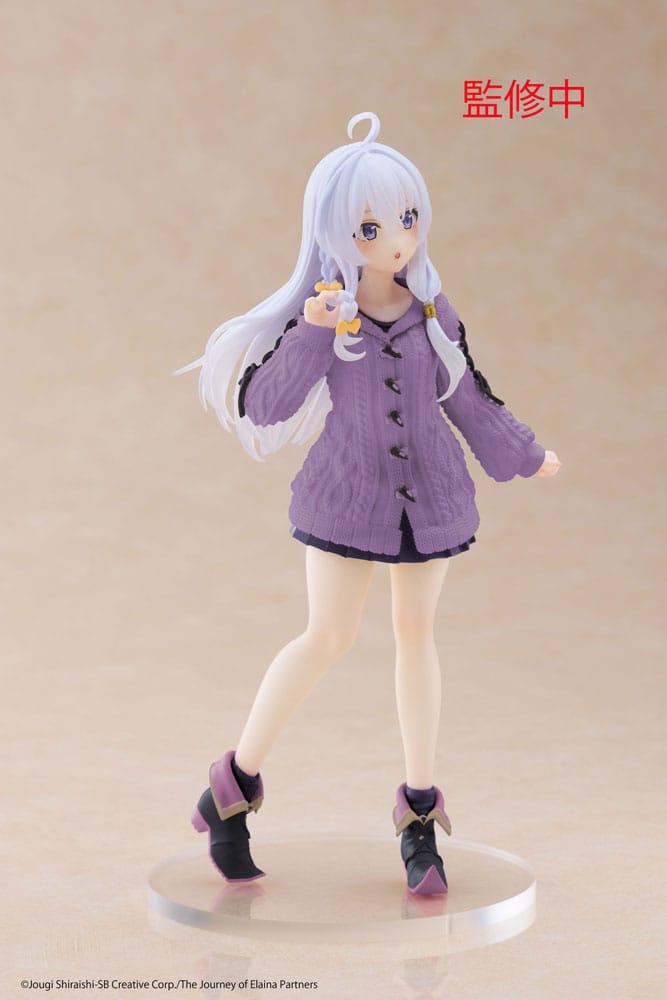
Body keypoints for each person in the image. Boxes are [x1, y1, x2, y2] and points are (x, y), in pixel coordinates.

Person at [180, 112, 561, 895]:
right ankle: (231, 787)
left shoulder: (434, 314)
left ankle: (418, 816)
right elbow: (265, 406)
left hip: (432, 496)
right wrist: (313, 333)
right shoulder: (325, 316)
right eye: (370, 227)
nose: (396, 239)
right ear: (334, 234)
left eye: (407, 218)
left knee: (416, 636)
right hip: (346, 497)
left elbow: (467, 397)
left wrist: (523, 452)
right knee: (327, 636)